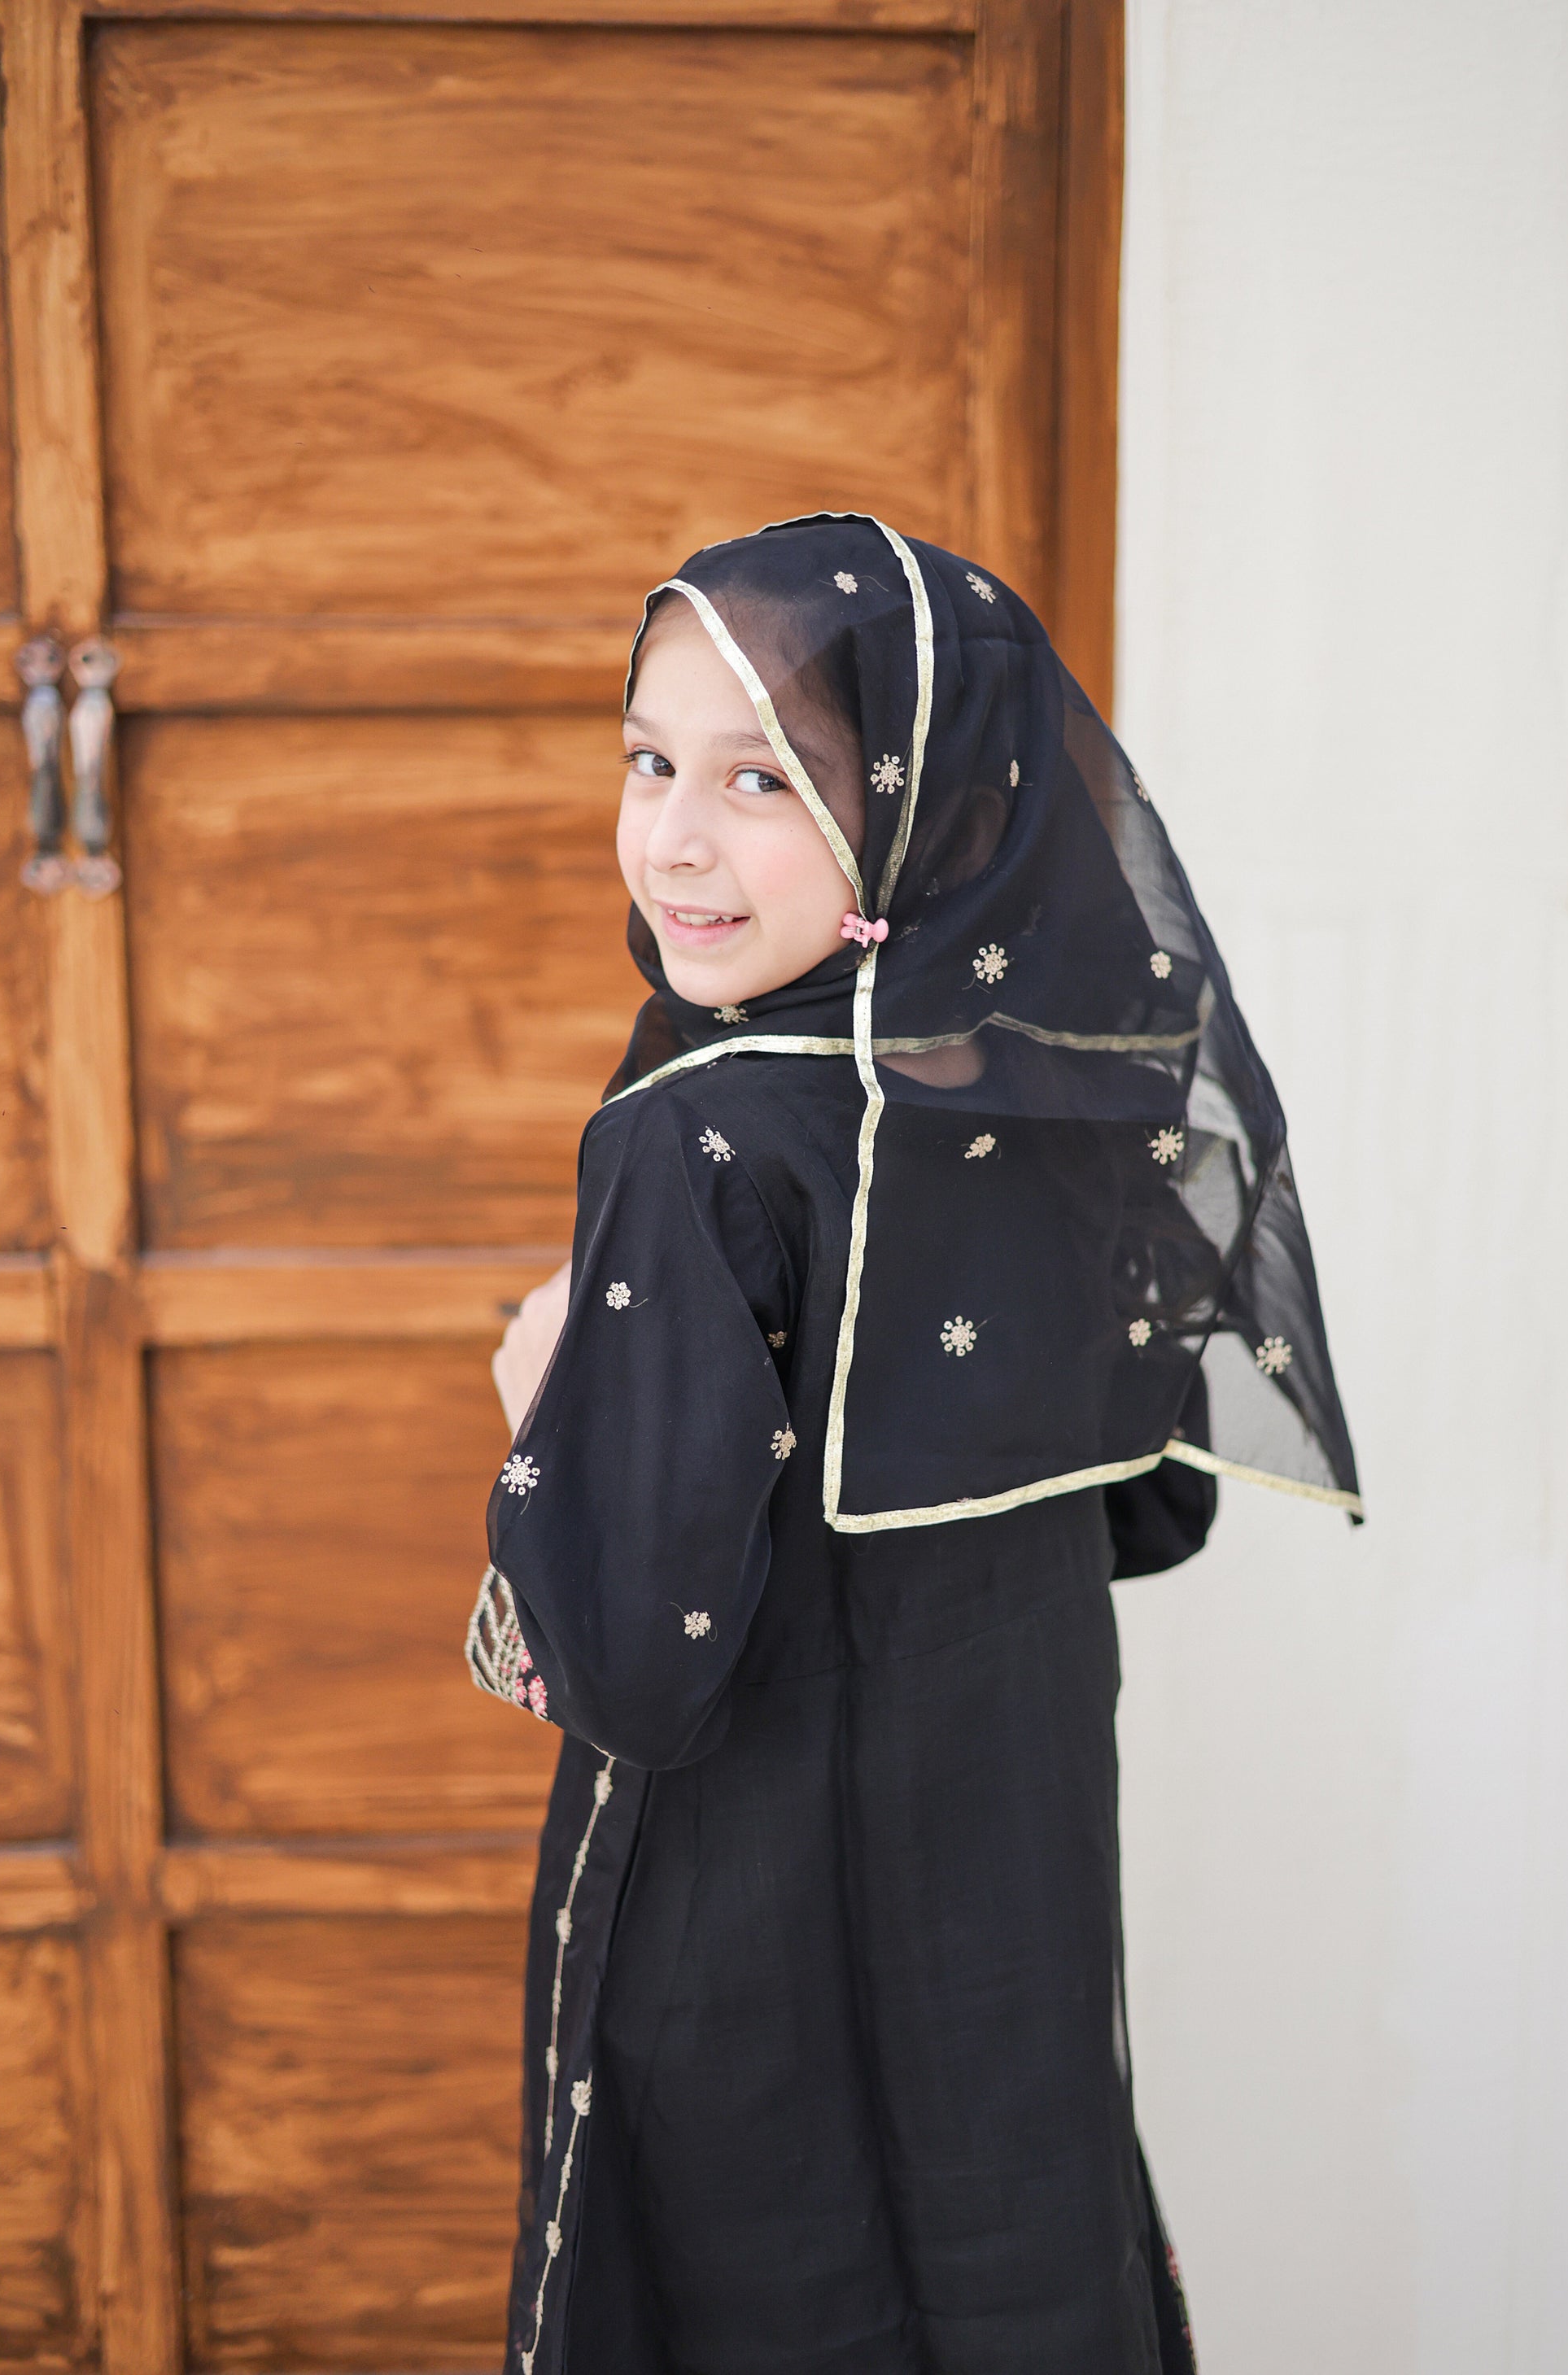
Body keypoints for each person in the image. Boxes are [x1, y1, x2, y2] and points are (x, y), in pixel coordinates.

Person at [468, 515, 1361, 2375]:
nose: (678, 840)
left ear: (926, 800)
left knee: (758, 2284)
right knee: (1007, 2265)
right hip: (1003, 1896)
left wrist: (549, 1389)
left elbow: (628, 1658)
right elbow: (1150, 1505)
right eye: (649, 759)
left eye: (767, 778)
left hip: (749, 1919)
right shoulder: (1042, 1083)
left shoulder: (701, 1129)